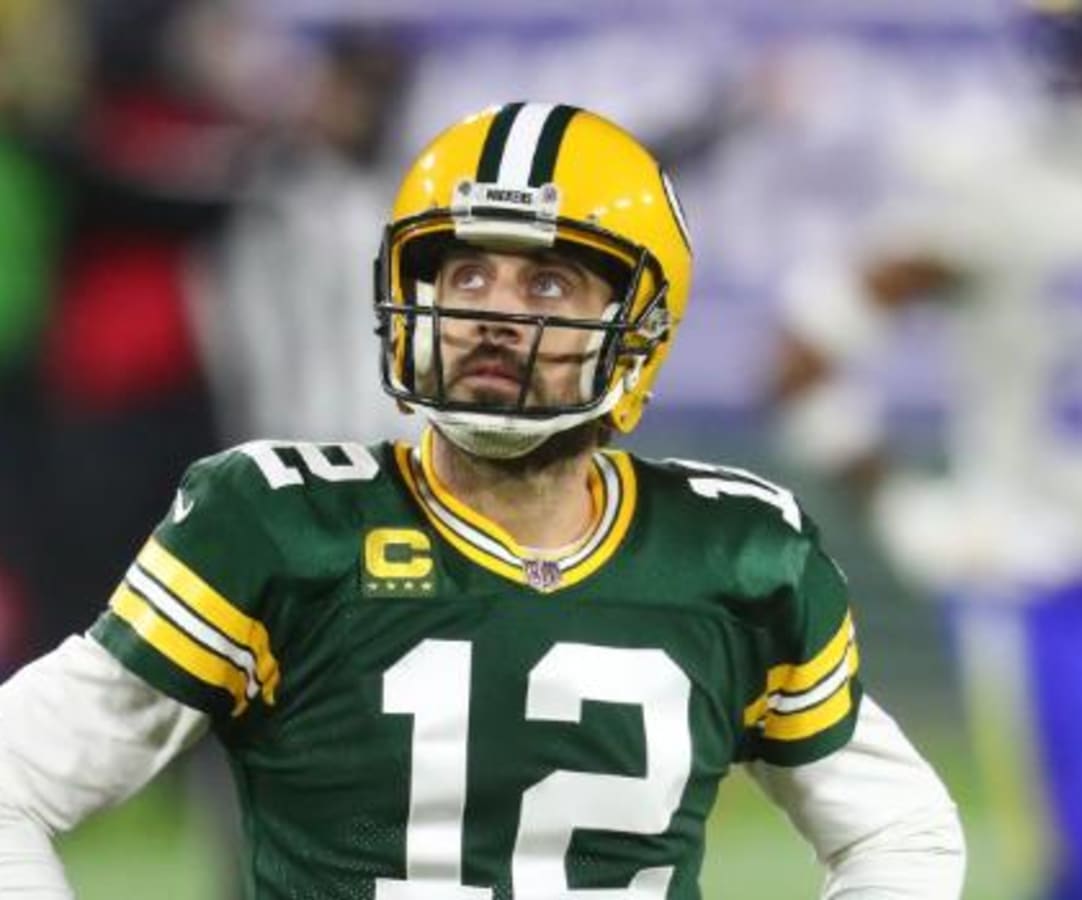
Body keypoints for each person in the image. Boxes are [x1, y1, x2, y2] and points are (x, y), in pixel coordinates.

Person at [0, 101, 964, 898]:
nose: (493, 315)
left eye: (546, 280)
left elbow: (902, 836)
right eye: (464, 272)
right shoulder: (279, 525)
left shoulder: (736, 553)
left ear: (639, 325)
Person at [770, 2, 1082, 896]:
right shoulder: (995, 182)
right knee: (1081, 864)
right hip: (1042, 574)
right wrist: (901, 502)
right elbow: (806, 348)